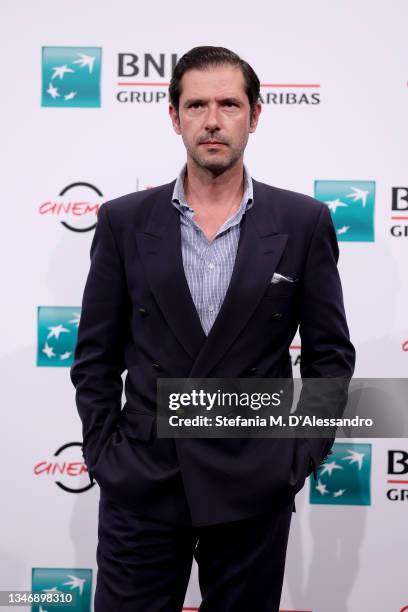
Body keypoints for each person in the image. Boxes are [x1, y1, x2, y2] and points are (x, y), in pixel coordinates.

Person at [71, 46, 355, 612]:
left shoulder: (302, 223)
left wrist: (294, 460)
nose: (213, 119)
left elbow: (329, 358)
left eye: (229, 103)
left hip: (253, 485)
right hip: (144, 484)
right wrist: (106, 455)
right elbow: (94, 358)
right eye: (196, 104)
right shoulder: (125, 221)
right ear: (174, 116)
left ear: (254, 114)